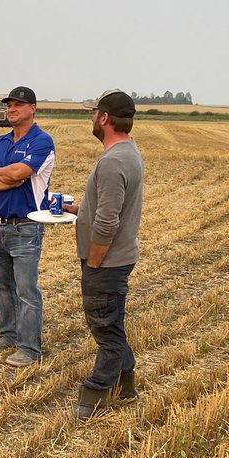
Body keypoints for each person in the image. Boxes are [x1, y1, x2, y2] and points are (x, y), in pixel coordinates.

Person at [62, 90, 144, 418]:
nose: (91, 118)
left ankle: (94, 395)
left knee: (105, 331)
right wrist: (79, 210)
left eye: (93, 112)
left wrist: (94, 262)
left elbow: (108, 222)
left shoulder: (112, 162)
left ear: (105, 118)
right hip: (118, 260)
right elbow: (108, 208)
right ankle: (126, 387)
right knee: (114, 325)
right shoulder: (129, 153)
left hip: (106, 263)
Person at [0, 86, 55, 367]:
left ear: (32, 108)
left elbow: (21, 173)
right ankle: (8, 335)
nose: (11, 109)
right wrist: (6, 178)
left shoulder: (42, 142)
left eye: (18, 105)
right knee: (3, 287)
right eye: (9, 105)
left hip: (26, 227)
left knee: (26, 290)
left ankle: (30, 348)